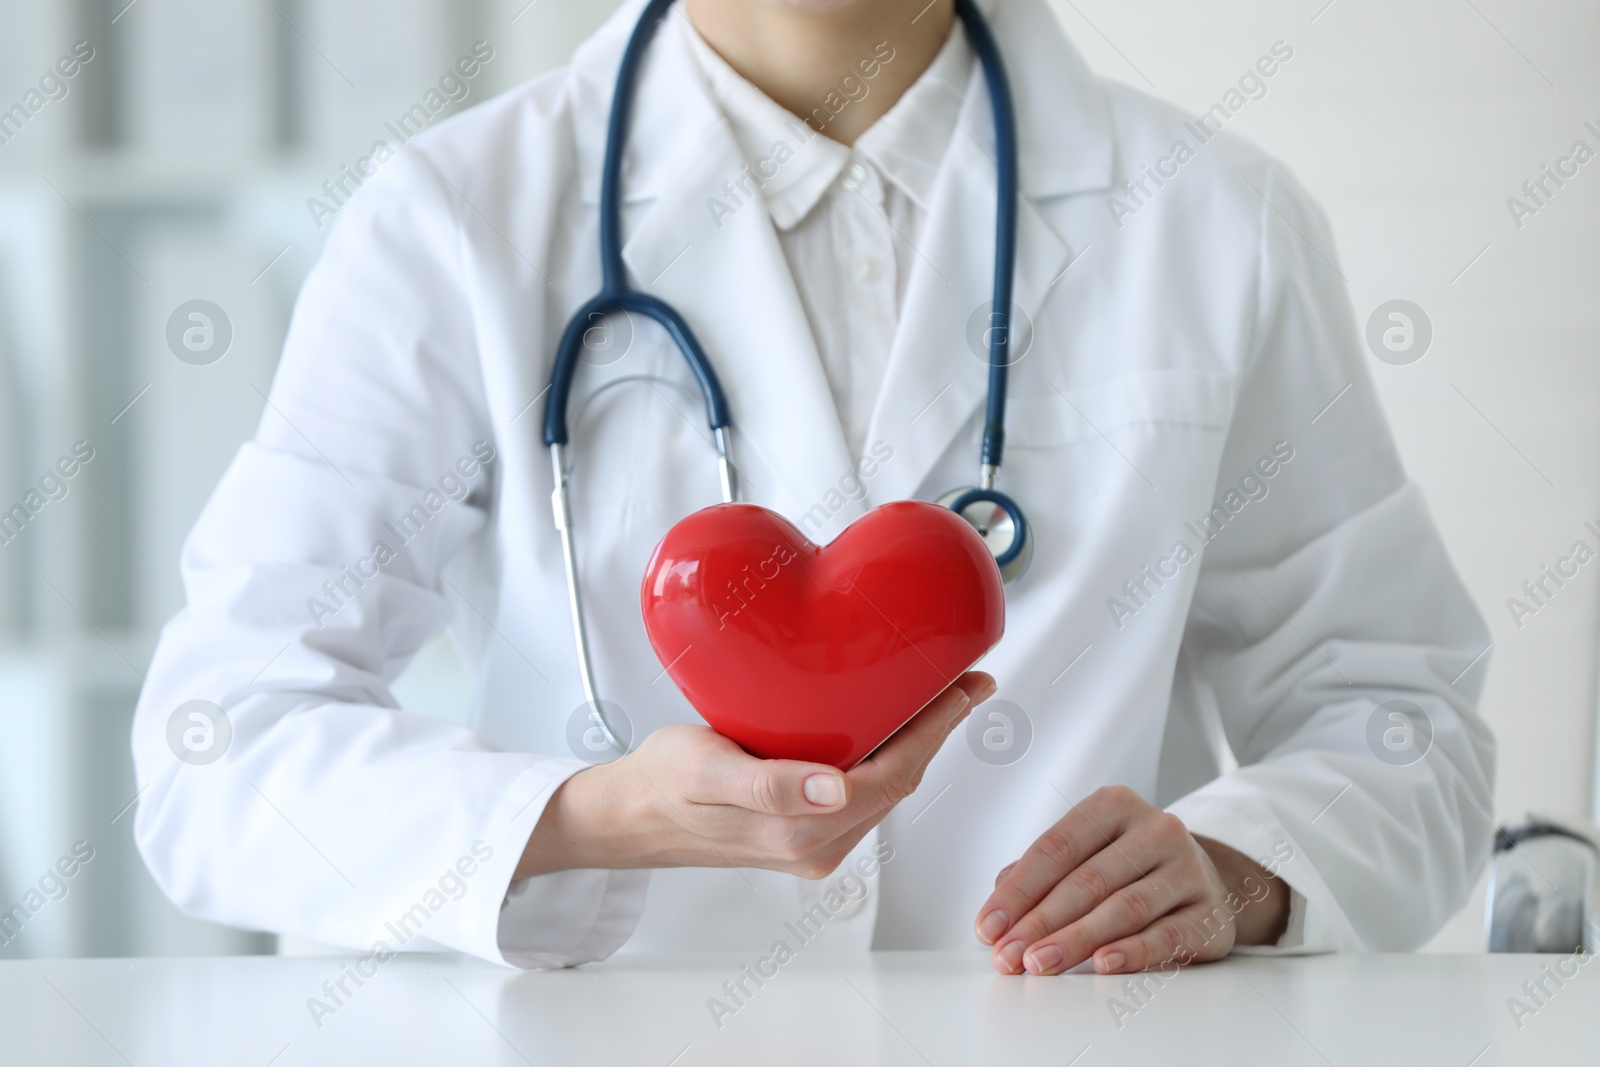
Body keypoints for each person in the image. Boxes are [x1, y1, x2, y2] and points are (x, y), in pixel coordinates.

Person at [132, 0, 1494, 978]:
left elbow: (1400, 718)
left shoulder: (1216, 220)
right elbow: (218, 751)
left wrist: (1244, 870)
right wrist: (597, 819)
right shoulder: (452, 217)